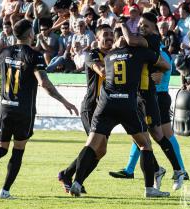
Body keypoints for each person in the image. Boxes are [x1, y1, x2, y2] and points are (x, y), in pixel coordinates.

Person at [0, 19, 78, 199]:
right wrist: (64, 101)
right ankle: (5, 191)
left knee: (1, 147)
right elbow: (44, 82)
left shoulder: (3, 52)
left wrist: (5, 67)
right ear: (30, 34)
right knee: (18, 149)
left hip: (5, 108)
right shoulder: (34, 55)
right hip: (23, 110)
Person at [67, 27, 171, 198]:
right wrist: (156, 71)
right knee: (145, 144)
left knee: (91, 144)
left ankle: (77, 183)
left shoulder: (108, 56)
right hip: (127, 103)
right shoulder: (139, 53)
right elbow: (166, 65)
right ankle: (150, 189)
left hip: (105, 103)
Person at [109, 13, 186, 190]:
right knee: (140, 137)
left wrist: (122, 24)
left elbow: (166, 65)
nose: (142, 28)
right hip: (137, 97)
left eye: (146, 25)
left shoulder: (152, 39)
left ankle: (178, 169)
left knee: (159, 135)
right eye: (140, 25)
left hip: (150, 97)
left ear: (154, 28)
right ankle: (157, 169)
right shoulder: (141, 43)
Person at [58, 24, 113, 193]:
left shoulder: (115, 55)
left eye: (111, 34)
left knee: (101, 150)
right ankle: (73, 179)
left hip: (107, 109)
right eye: (105, 35)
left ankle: (70, 175)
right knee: (95, 145)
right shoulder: (92, 54)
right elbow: (102, 72)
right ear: (97, 38)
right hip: (92, 107)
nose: (109, 37)